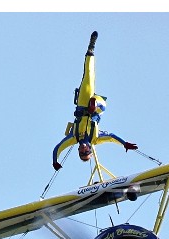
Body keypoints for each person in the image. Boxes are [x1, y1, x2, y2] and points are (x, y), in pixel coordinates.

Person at [52, 31, 137, 171]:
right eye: (85, 153)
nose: (83, 150)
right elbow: (111, 137)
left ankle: (90, 49)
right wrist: (124, 144)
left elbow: (57, 148)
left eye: (81, 153)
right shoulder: (96, 138)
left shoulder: (73, 138)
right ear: (90, 149)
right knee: (97, 104)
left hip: (82, 104)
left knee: (88, 76)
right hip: (97, 107)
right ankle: (95, 104)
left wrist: (55, 161)